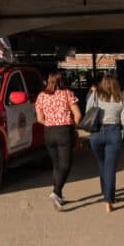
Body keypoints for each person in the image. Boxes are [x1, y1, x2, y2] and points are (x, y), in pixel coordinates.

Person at [35, 71, 82, 211]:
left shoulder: (41, 96)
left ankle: (59, 196)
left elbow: (39, 119)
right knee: (66, 165)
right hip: (64, 131)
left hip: (48, 132)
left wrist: (51, 122)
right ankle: (56, 192)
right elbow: (78, 115)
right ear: (62, 81)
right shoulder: (67, 94)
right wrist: (73, 126)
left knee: (56, 165)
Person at [89, 75, 124, 213]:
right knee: (110, 167)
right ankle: (108, 200)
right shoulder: (121, 97)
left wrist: (93, 94)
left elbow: (88, 111)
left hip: (97, 133)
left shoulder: (95, 96)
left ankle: (105, 192)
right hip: (114, 132)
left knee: (102, 164)